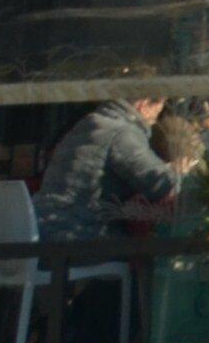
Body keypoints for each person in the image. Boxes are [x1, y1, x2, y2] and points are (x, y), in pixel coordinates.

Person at [37, 96, 190, 240]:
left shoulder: (92, 122)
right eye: (160, 106)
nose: (159, 114)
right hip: (83, 240)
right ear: (144, 104)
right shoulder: (121, 133)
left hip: (50, 233)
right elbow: (162, 185)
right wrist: (180, 173)